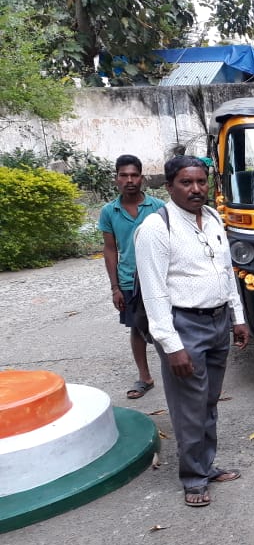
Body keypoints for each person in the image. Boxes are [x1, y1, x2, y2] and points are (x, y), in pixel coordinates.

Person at [134, 157, 250, 507]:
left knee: (209, 400)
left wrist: (238, 316)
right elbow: (154, 293)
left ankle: (206, 464)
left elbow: (226, 271)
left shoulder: (213, 217)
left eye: (201, 181)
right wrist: (171, 346)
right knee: (189, 405)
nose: (196, 189)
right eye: (186, 182)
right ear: (169, 187)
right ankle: (194, 479)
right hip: (183, 325)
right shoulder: (156, 227)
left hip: (217, 321)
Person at [97, 155, 165, 399]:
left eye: (134, 175)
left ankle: (180, 373)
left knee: (171, 325)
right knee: (137, 327)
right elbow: (110, 249)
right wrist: (115, 287)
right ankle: (145, 377)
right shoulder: (109, 211)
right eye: (124, 175)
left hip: (160, 278)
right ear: (116, 179)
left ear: (142, 178)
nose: (129, 180)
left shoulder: (158, 208)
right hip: (128, 281)